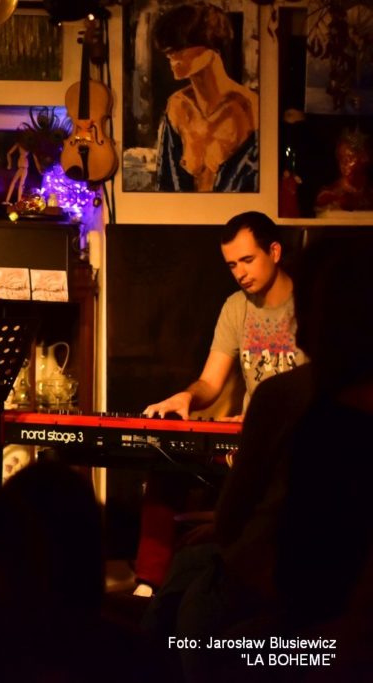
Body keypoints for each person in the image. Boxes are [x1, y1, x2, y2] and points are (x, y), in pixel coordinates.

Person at [135, 211, 306, 595]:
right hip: (245, 436)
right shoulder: (236, 307)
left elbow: (323, 386)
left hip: (294, 438)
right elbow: (211, 382)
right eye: (232, 265)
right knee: (166, 459)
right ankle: (149, 585)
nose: (240, 272)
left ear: (274, 251)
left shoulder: (308, 303)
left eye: (248, 260)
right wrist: (188, 396)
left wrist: (264, 418)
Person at [153, 2, 259, 192]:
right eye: (169, 51)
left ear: (212, 44)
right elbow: (166, 183)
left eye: (182, 45)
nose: (172, 56)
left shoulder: (249, 106)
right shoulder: (178, 106)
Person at [315, 126, 373, 215]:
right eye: (341, 158)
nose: (344, 164)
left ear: (364, 158)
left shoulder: (369, 194)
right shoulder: (329, 195)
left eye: (350, 158)